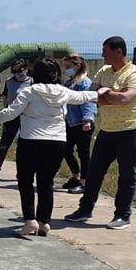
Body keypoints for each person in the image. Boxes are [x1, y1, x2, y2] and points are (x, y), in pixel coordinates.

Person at [0, 58, 100, 237]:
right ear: (56, 74)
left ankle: (30, 220)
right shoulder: (64, 91)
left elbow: (10, 113)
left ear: (35, 74)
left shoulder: (29, 91)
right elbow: (86, 96)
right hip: (57, 143)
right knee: (46, 183)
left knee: (25, 181)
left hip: (31, 141)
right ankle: (44, 222)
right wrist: (108, 92)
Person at [65, 36, 136, 230]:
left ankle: (122, 215)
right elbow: (91, 96)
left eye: (105, 52)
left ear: (118, 52)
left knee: (127, 175)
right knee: (94, 173)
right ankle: (85, 209)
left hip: (129, 131)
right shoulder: (104, 70)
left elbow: (125, 99)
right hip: (106, 130)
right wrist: (114, 94)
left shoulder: (134, 73)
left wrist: (106, 92)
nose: (102, 55)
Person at [0, 59, 33, 181]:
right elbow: (5, 96)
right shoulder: (9, 82)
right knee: (4, 144)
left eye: (20, 70)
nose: (17, 73)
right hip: (11, 116)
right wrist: (6, 110)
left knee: (24, 146)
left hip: (26, 117)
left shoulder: (32, 82)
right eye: (14, 71)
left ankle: (22, 172)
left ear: (26, 69)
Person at [61, 54, 97, 194]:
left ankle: (84, 182)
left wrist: (87, 119)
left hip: (82, 123)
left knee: (83, 153)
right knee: (65, 150)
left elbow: (88, 101)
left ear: (77, 66)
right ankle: (75, 175)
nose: (66, 69)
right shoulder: (68, 83)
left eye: (68, 66)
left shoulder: (85, 83)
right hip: (70, 122)